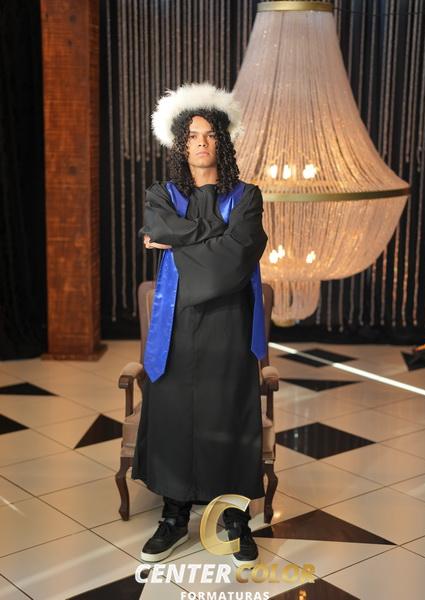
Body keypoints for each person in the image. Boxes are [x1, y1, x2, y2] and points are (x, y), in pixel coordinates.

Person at [130, 82, 268, 568]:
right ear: (180, 143)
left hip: (229, 323)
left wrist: (178, 241)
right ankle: (173, 516)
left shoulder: (247, 197)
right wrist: (214, 235)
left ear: (223, 141)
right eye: (192, 136)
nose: (202, 143)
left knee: (227, 416)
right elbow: (164, 229)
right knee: (174, 416)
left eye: (210, 134)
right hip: (175, 323)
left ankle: (234, 518)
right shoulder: (161, 193)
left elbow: (237, 258)